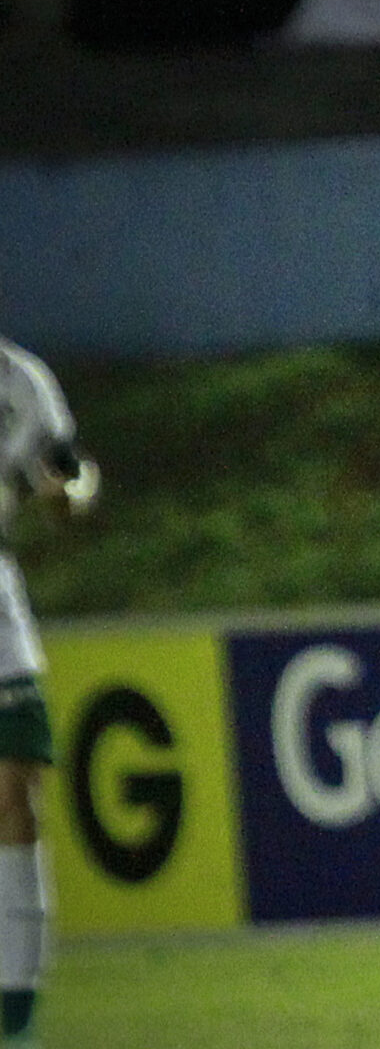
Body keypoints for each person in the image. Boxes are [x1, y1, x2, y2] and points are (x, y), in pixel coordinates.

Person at [0, 335, 99, 1048]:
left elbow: (68, 483)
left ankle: (17, 1016)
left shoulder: (23, 382)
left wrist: (70, 495)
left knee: (15, 792)